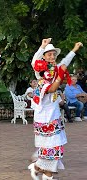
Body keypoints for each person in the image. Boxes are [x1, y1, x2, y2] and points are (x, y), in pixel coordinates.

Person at [28, 38, 83, 180]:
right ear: (44, 57)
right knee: (51, 146)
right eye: (49, 54)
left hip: (54, 113)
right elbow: (35, 63)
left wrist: (74, 49)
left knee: (56, 145)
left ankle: (44, 172)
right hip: (43, 116)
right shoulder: (40, 72)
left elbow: (65, 62)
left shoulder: (56, 69)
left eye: (53, 54)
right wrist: (42, 46)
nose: (52, 57)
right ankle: (40, 169)